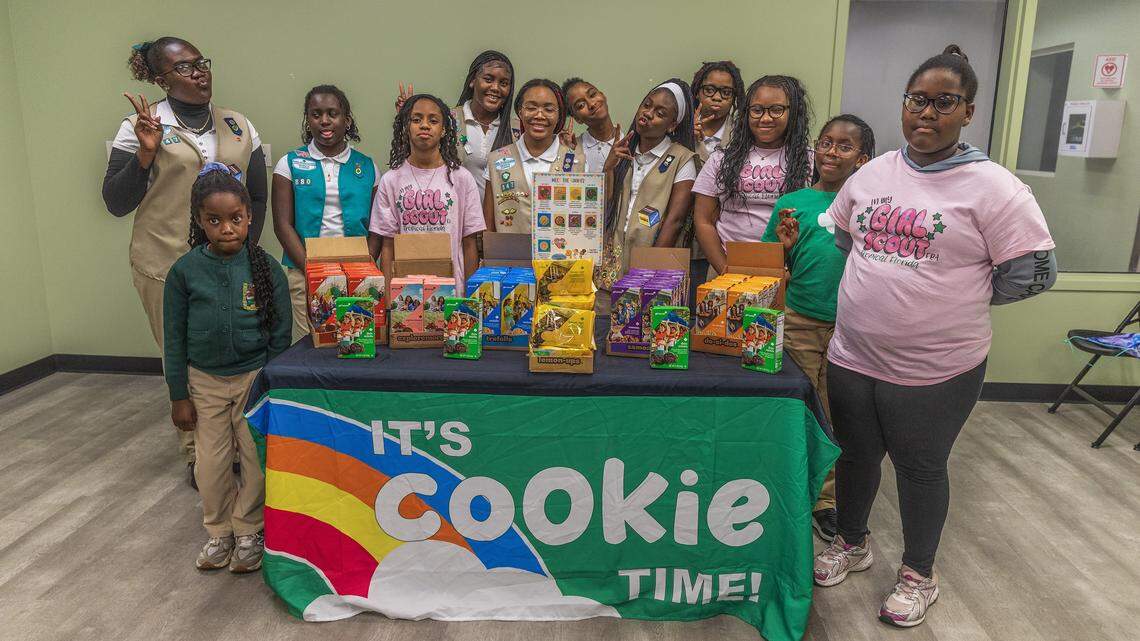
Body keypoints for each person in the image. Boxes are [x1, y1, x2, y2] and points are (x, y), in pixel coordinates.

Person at [812, 45, 1057, 628]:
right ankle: (852, 541)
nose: (927, 112)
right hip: (852, 354)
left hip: (937, 369)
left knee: (921, 468)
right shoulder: (873, 173)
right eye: (917, 100)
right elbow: (848, 238)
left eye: (944, 102)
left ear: (967, 112)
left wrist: (952, 299)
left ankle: (919, 573)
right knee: (855, 456)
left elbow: (1031, 273)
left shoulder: (995, 188)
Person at [103, 36, 265, 486]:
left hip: (230, 261)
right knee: (183, 355)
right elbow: (116, 202)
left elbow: (256, 195)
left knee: (231, 348)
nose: (200, 73)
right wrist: (145, 154)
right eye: (186, 68)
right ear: (160, 79)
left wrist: (251, 252)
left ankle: (236, 445)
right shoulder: (139, 125)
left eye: (202, 63)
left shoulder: (238, 124)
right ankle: (198, 453)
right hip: (166, 261)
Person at [163, 164, 291, 573]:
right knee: (212, 463)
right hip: (205, 382)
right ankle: (219, 532)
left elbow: (280, 333)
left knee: (254, 458)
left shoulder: (266, 267)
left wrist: (270, 383)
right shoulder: (184, 272)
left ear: (249, 217)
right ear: (200, 221)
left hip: (254, 379)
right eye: (214, 220)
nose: (227, 229)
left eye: (236, 219)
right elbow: (173, 338)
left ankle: (249, 530)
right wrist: (179, 394)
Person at [760, 114, 876, 542]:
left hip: (853, 326)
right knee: (802, 409)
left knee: (840, 413)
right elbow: (770, 264)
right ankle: (795, 491)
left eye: (844, 146)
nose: (831, 151)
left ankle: (827, 500)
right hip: (800, 321)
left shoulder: (870, 205)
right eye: (826, 142)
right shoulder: (793, 202)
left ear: (862, 159)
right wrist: (783, 247)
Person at [271, 84, 380, 341]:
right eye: (316, 114)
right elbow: (282, 225)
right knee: (308, 342)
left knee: (354, 338)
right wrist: (310, 270)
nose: (324, 121)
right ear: (308, 120)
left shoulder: (367, 166)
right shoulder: (289, 164)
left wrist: (364, 266)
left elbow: (378, 226)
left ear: (347, 120)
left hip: (357, 270)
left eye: (333, 113)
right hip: (304, 269)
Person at [692, 75, 812, 276]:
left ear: (794, 113)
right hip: (727, 268)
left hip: (788, 272)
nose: (765, 118)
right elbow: (703, 220)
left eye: (776, 110)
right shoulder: (722, 159)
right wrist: (725, 270)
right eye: (756, 110)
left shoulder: (810, 160)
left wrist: (791, 272)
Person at [371, 94, 485, 289]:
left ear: (443, 130)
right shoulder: (390, 180)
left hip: (452, 289)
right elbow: (387, 246)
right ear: (406, 127)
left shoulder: (462, 179)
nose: (424, 125)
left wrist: (469, 298)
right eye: (416, 120)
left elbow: (469, 243)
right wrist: (389, 303)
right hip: (405, 292)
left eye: (433, 120)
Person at [597, 80, 697, 292]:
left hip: (650, 263)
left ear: (672, 125)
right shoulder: (621, 151)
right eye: (647, 105)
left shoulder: (682, 159)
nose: (648, 114)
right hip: (610, 261)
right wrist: (608, 168)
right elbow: (602, 208)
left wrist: (651, 269)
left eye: (660, 113)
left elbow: (675, 221)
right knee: (605, 321)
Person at [396, 51, 519, 197]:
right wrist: (408, 121)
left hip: (503, 218)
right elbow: (417, 161)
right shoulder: (446, 120)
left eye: (503, 83)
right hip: (454, 215)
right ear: (472, 81)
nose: (495, 88)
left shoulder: (518, 129)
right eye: (488, 79)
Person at [481, 79, 585, 233]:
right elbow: (488, 227)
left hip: (561, 254)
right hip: (508, 255)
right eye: (531, 107)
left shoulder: (576, 161)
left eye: (549, 110)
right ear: (520, 111)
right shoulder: (497, 160)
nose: (539, 115)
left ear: (559, 115)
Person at [691, 60, 746, 164]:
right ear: (697, 92)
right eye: (709, 90)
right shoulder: (681, 127)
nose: (717, 97)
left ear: (734, 97)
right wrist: (685, 135)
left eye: (726, 92)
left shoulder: (742, 134)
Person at [561, 77, 619, 172]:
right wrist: (567, 153)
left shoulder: (631, 142)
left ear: (603, 95)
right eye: (581, 105)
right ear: (577, 119)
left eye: (592, 95)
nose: (591, 104)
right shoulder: (573, 149)